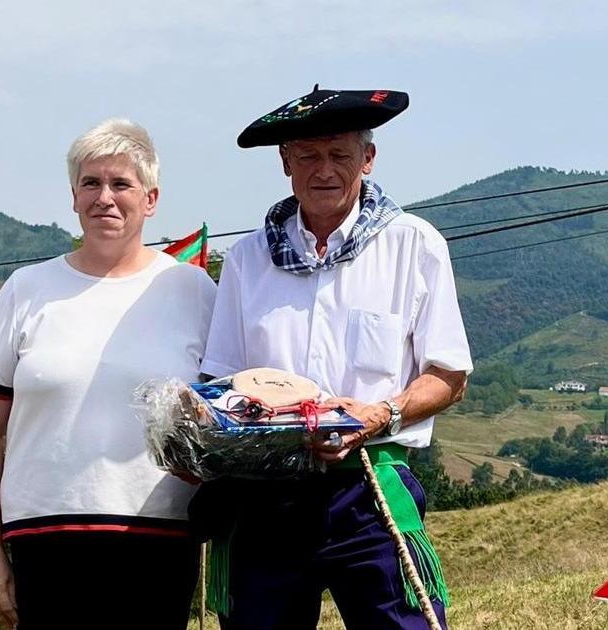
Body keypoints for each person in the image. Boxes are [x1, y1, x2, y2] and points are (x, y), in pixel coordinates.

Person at [196, 87, 472, 629]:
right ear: (285, 163)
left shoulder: (413, 244)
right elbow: (221, 379)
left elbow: (448, 375)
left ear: (368, 159)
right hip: (264, 494)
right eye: (308, 156)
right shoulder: (249, 258)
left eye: (339, 154)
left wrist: (378, 414)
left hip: (369, 487)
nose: (324, 170)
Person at [0, 119, 216, 629]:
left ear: (151, 198)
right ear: (73, 197)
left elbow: (225, 413)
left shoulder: (194, 291)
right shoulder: (26, 289)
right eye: (90, 183)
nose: (105, 198)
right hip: (42, 544)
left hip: (159, 541)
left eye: (121, 184)